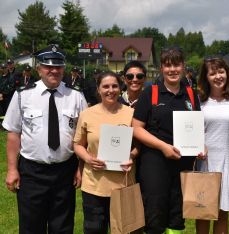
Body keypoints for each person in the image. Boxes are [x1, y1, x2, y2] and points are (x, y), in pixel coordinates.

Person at [2, 44, 87, 234]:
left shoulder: (76, 96)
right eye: (48, 66)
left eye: (58, 66)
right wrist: (12, 169)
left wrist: (80, 168)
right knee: (31, 226)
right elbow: (13, 134)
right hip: (32, 172)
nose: (54, 70)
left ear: (63, 68)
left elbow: (83, 136)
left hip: (65, 171)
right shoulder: (23, 95)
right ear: (39, 69)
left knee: (62, 227)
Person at [132, 46, 204, 234]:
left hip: (183, 162)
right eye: (168, 65)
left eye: (176, 65)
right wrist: (163, 146)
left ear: (183, 66)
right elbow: (136, 128)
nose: (172, 70)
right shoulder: (150, 93)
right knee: (155, 214)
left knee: (178, 214)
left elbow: (195, 126)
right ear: (161, 68)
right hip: (155, 161)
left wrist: (201, 145)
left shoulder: (191, 94)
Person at [73, 71, 134, 234]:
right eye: (105, 86)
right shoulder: (87, 114)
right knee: (94, 230)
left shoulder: (131, 113)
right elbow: (78, 145)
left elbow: (138, 145)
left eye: (114, 86)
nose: (110, 90)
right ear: (98, 90)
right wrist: (88, 158)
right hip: (94, 185)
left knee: (122, 231)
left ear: (120, 88)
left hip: (123, 184)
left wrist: (132, 156)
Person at [196, 57, 229, 234]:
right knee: (202, 212)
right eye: (212, 73)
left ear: (227, 73)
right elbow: (190, 129)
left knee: (222, 212)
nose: (217, 76)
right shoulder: (198, 100)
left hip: (228, 161)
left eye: (221, 71)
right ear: (205, 77)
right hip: (204, 162)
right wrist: (197, 145)